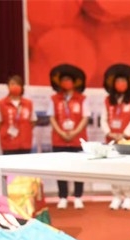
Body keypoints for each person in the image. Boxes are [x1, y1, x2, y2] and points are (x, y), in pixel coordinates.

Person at [47, 64, 90, 209]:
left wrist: (74, 132)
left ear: (74, 82)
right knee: (60, 168)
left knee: (79, 169)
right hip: (59, 139)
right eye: (63, 80)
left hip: (78, 139)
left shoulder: (82, 99)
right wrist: (61, 132)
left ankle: (78, 196)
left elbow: (85, 117)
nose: (66, 82)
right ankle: (63, 196)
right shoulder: (54, 99)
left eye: (68, 80)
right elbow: (51, 117)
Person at [100, 64, 130, 211]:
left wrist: (124, 134)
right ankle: (116, 196)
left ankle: (128, 196)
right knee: (113, 168)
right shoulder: (108, 100)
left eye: (123, 81)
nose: (120, 84)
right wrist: (109, 133)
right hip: (111, 140)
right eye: (118, 81)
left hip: (129, 141)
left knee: (128, 168)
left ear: (128, 84)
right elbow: (103, 119)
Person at [0, 75, 36, 155]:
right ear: (8, 87)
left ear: (21, 87)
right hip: (8, 143)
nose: (15, 86)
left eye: (18, 84)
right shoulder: (2, 103)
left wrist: (24, 130)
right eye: (12, 84)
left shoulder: (28, 103)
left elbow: (33, 121)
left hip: (25, 143)